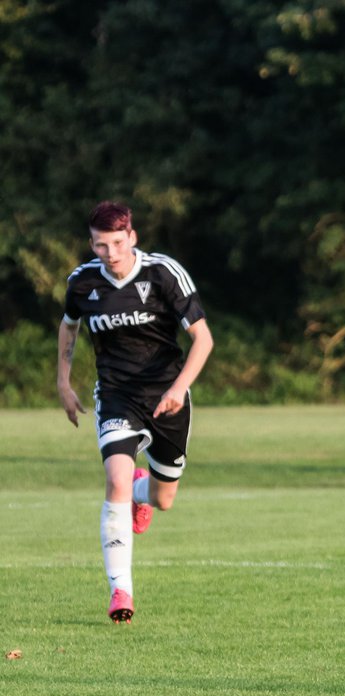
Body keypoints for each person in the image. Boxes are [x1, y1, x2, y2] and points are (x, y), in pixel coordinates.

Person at [56, 201, 214, 623]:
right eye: (99, 245)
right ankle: (120, 591)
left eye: (116, 243)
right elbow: (69, 325)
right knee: (115, 479)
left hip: (167, 397)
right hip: (115, 395)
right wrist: (63, 382)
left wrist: (180, 388)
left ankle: (144, 490)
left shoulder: (163, 273)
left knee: (163, 500)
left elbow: (203, 339)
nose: (109, 253)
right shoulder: (83, 282)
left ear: (132, 237)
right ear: (91, 243)